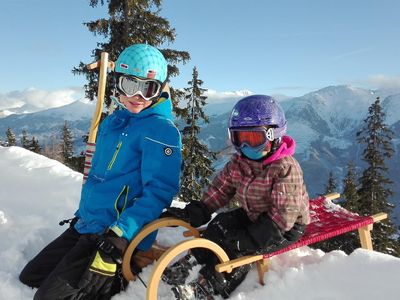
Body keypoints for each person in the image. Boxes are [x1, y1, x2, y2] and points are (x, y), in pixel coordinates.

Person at [19, 44, 182, 300]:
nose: (138, 96)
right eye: (130, 85)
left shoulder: (161, 131)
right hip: (87, 224)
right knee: (31, 277)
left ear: (159, 89)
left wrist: (121, 234)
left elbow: (159, 191)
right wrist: (83, 215)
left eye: (148, 88)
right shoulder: (113, 122)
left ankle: (113, 284)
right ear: (117, 83)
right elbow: (99, 176)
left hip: (113, 233)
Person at [162, 95, 310, 300]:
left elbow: (282, 218)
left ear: (272, 135)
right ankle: (194, 260)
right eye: (241, 138)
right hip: (254, 214)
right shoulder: (239, 163)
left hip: (282, 228)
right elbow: (220, 190)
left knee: (241, 251)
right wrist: (199, 210)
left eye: (255, 139)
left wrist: (248, 240)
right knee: (220, 224)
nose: (247, 146)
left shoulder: (284, 168)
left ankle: (210, 285)